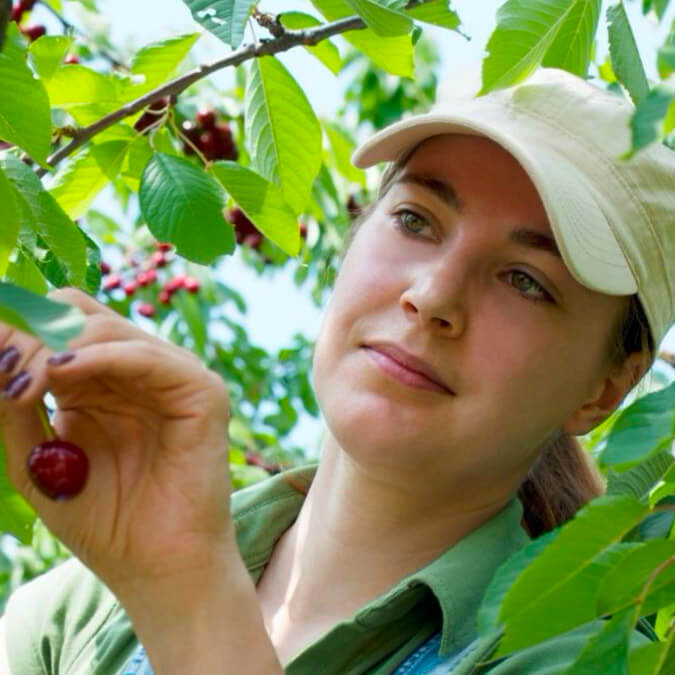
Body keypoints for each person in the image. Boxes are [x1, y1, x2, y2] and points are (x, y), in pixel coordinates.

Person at [0, 65, 672, 674]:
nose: (434, 296)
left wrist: (185, 589)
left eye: (526, 280)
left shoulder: (588, 659)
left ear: (604, 386)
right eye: (415, 219)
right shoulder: (78, 619)